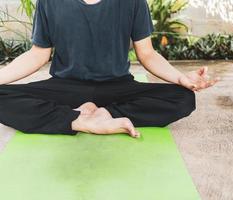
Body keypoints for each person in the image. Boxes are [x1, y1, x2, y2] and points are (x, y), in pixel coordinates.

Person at [0, 0, 219, 138]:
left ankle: (107, 113)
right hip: (66, 87)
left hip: (117, 87)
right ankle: (79, 120)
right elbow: (39, 53)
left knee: (183, 98)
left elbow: (148, 54)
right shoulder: (49, 2)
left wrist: (181, 78)